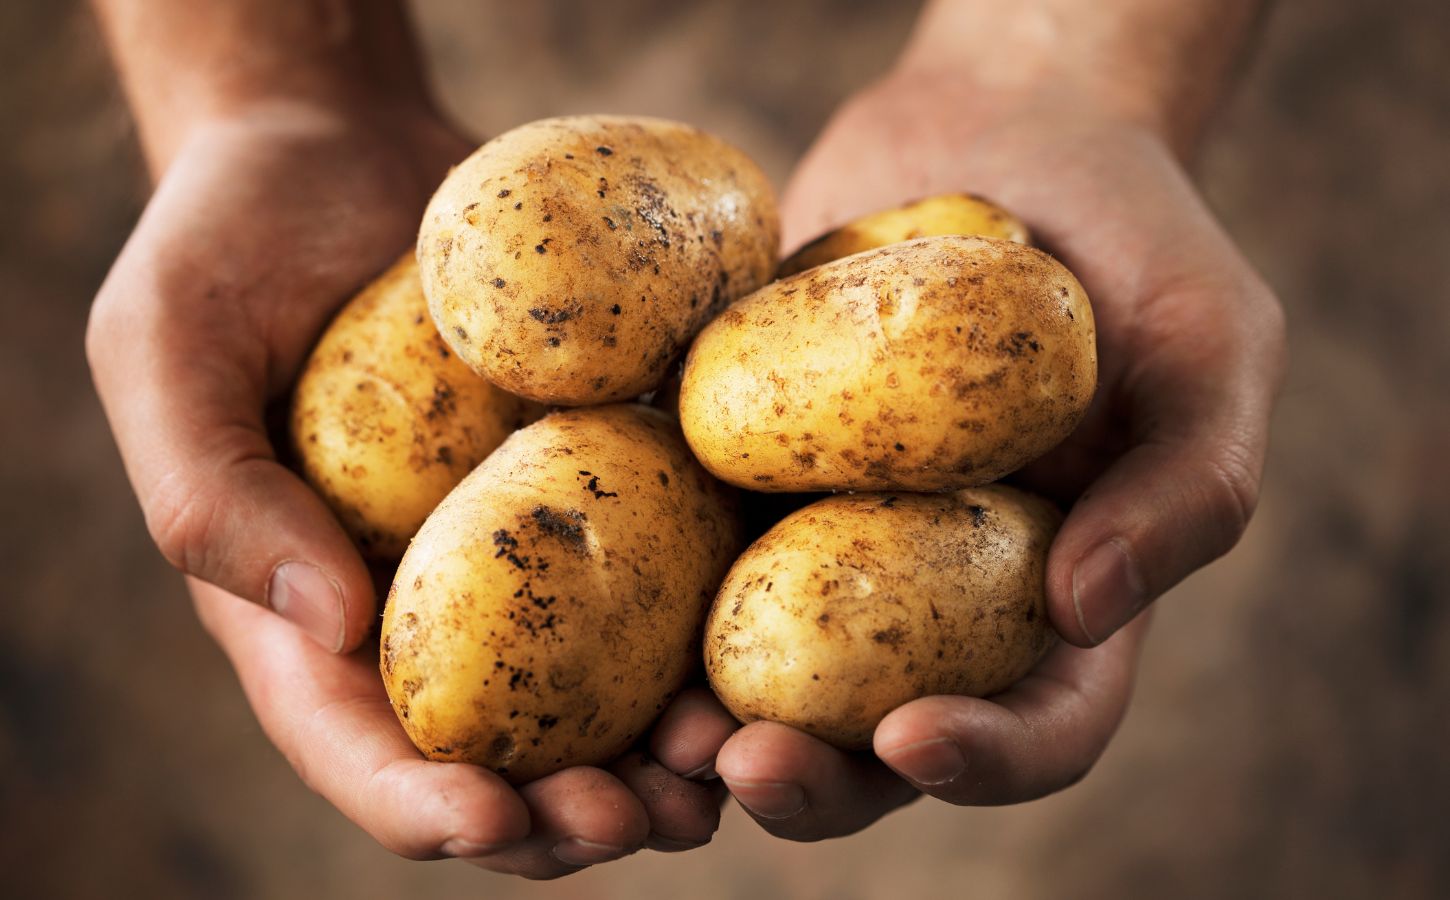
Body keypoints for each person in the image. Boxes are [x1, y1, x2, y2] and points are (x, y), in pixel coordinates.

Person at [86, 0, 1286, 880]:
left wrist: (1061, 71)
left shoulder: (728, 383)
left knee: (774, 625)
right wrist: (270, 88)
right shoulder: (656, 376)